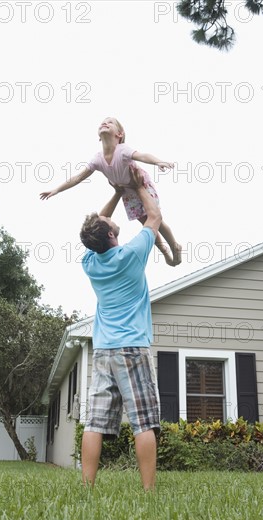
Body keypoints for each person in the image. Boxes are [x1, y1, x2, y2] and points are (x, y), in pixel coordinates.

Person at [79, 165, 162, 491]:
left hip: (103, 351)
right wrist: (139, 185)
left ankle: (87, 488)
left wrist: (115, 191)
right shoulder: (131, 254)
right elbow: (153, 217)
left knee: (95, 422)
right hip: (132, 349)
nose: (108, 219)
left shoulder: (91, 263)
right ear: (112, 236)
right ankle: (149, 492)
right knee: (143, 422)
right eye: (108, 224)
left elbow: (95, 229)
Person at [40, 116, 182, 266]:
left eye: (110, 123)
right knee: (146, 223)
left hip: (140, 184)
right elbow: (78, 178)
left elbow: (142, 156)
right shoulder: (97, 159)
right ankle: (164, 251)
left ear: (119, 134)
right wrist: (57, 189)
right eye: (102, 122)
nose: (105, 123)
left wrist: (158, 161)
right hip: (127, 193)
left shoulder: (122, 150)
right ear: (98, 138)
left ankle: (174, 246)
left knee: (156, 219)